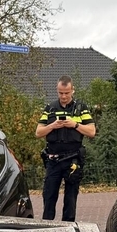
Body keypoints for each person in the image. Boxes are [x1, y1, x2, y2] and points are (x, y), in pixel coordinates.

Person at [35, 75, 96, 221]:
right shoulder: (50, 109)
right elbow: (38, 133)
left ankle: (68, 229)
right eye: (60, 93)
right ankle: (47, 230)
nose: (63, 96)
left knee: (70, 200)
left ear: (72, 90)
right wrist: (52, 126)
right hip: (53, 160)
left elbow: (92, 132)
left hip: (72, 160)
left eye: (66, 93)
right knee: (49, 197)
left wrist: (74, 125)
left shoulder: (81, 109)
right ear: (57, 91)